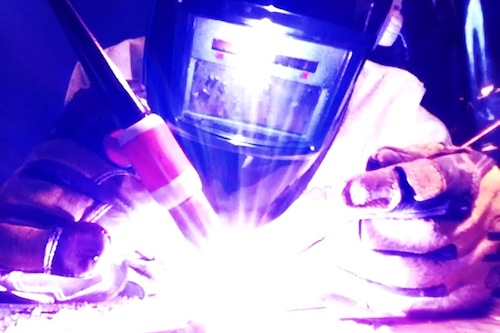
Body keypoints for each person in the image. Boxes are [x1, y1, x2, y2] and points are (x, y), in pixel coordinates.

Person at [0, 0, 498, 318]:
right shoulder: (118, 77)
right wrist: (43, 256)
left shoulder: (392, 109)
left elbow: (457, 243)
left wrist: (473, 246)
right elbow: (60, 259)